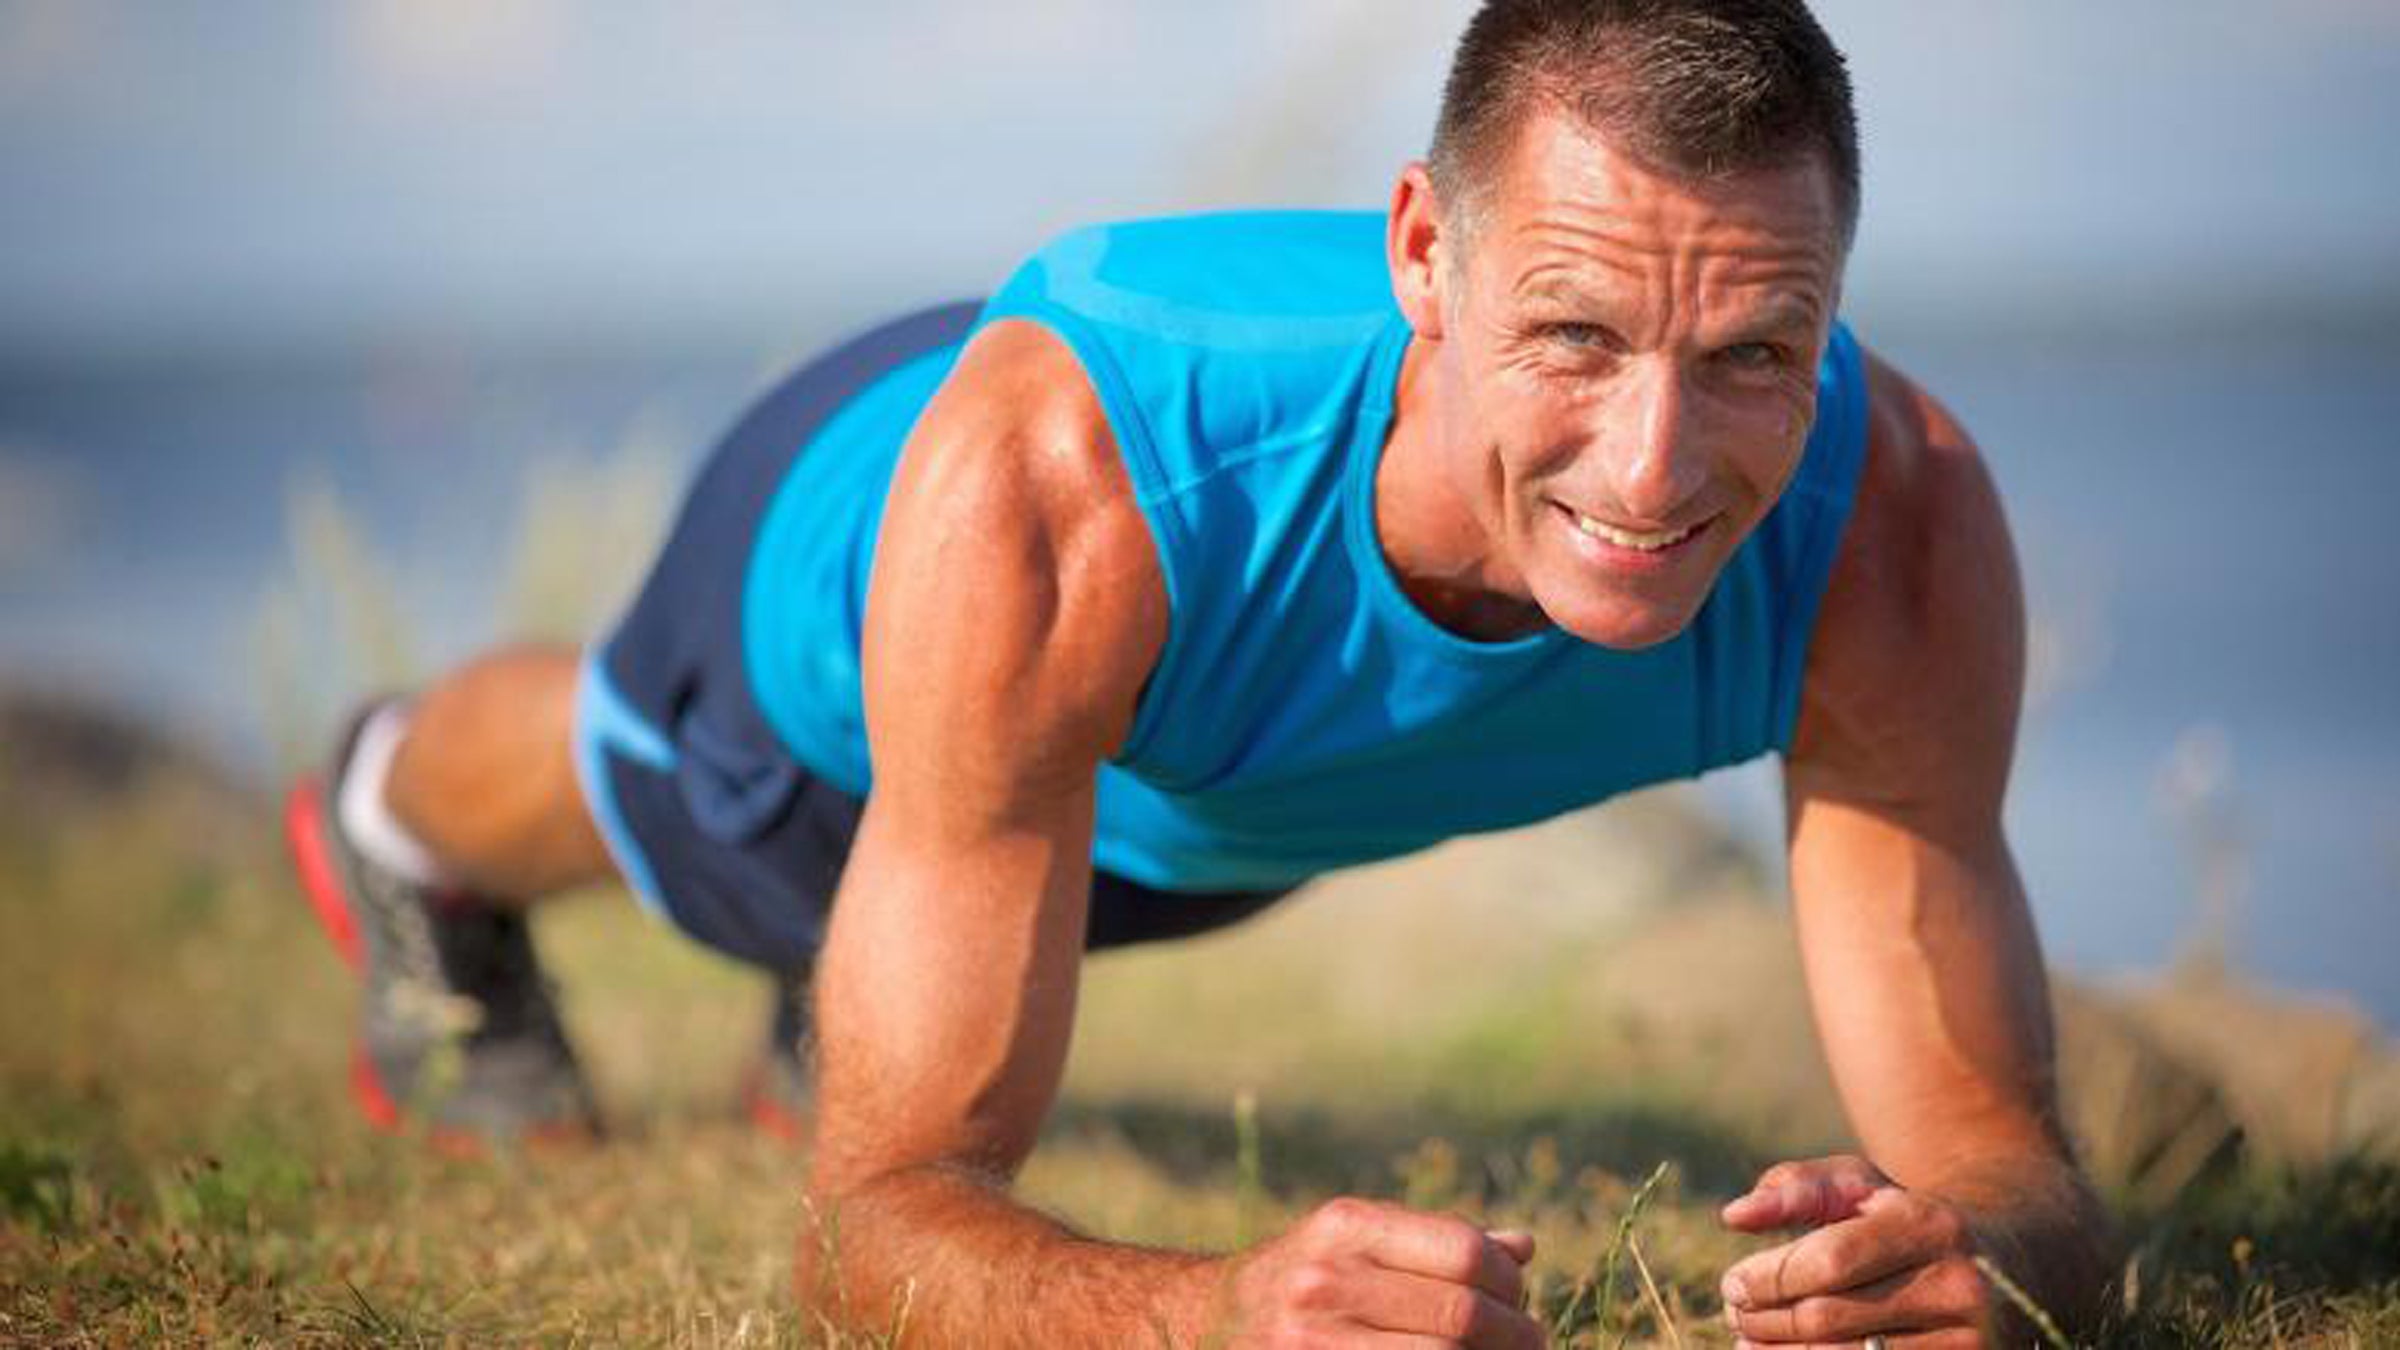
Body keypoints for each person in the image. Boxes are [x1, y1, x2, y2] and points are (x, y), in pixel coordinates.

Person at [284, 0, 2118, 1343]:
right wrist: (1213, 1311)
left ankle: (863, 975)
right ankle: (390, 815)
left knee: (1030, 890)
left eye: (1753, 354)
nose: (1654, 471)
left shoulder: (1893, 529)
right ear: (1426, 255)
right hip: (862, 596)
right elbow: (863, 1238)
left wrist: (1982, 1262)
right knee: (648, 808)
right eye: (1575, 333)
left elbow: (2007, 1161)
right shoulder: (1064, 486)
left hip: (1196, 801)